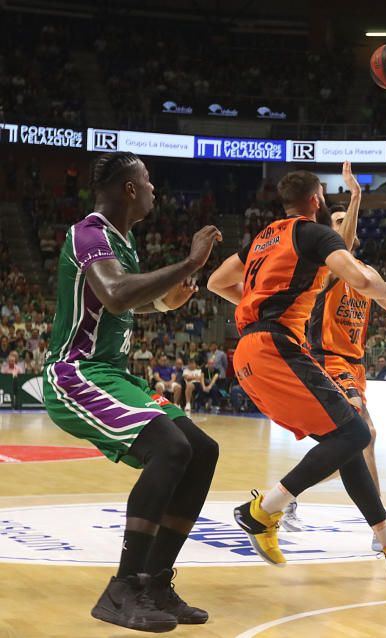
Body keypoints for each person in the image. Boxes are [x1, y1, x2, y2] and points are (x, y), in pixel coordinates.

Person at [207, 169, 386, 578]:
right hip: (279, 348)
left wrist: (255, 306)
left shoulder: (264, 238)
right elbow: (358, 276)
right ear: (317, 200)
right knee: (356, 433)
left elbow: (216, 282)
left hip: (249, 352)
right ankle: (263, 510)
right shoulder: (315, 238)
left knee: (347, 441)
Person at [42, 152, 222, 632]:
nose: (153, 189)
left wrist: (166, 301)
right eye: (147, 181)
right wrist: (189, 261)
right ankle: (122, 589)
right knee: (170, 447)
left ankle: (156, 581)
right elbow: (117, 294)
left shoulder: (123, 242)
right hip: (75, 374)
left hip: (114, 374)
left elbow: (120, 307)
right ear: (128, 189)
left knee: (202, 450)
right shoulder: (89, 233)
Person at [282, 162, 386, 550]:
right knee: (365, 434)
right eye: (337, 220)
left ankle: (287, 494)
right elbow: (342, 247)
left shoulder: (366, 273)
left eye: (348, 219)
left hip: (354, 365)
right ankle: (381, 528)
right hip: (327, 360)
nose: (345, 224)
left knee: (350, 446)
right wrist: (357, 195)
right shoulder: (324, 269)